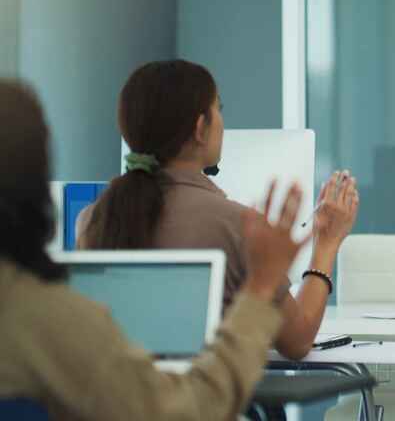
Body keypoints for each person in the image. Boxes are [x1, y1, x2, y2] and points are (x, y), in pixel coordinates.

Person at [0, 79, 305, 419]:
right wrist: (262, 285)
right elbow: (184, 410)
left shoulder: (92, 219)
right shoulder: (50, 324)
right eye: (218, 109)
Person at [77, 59, 359, 360]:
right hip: (201, 403)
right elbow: (298, 340)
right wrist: (326, 244)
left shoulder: (92, 219)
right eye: (218, 110)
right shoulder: (236, 224)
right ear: (201, 128)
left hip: (118, 404)